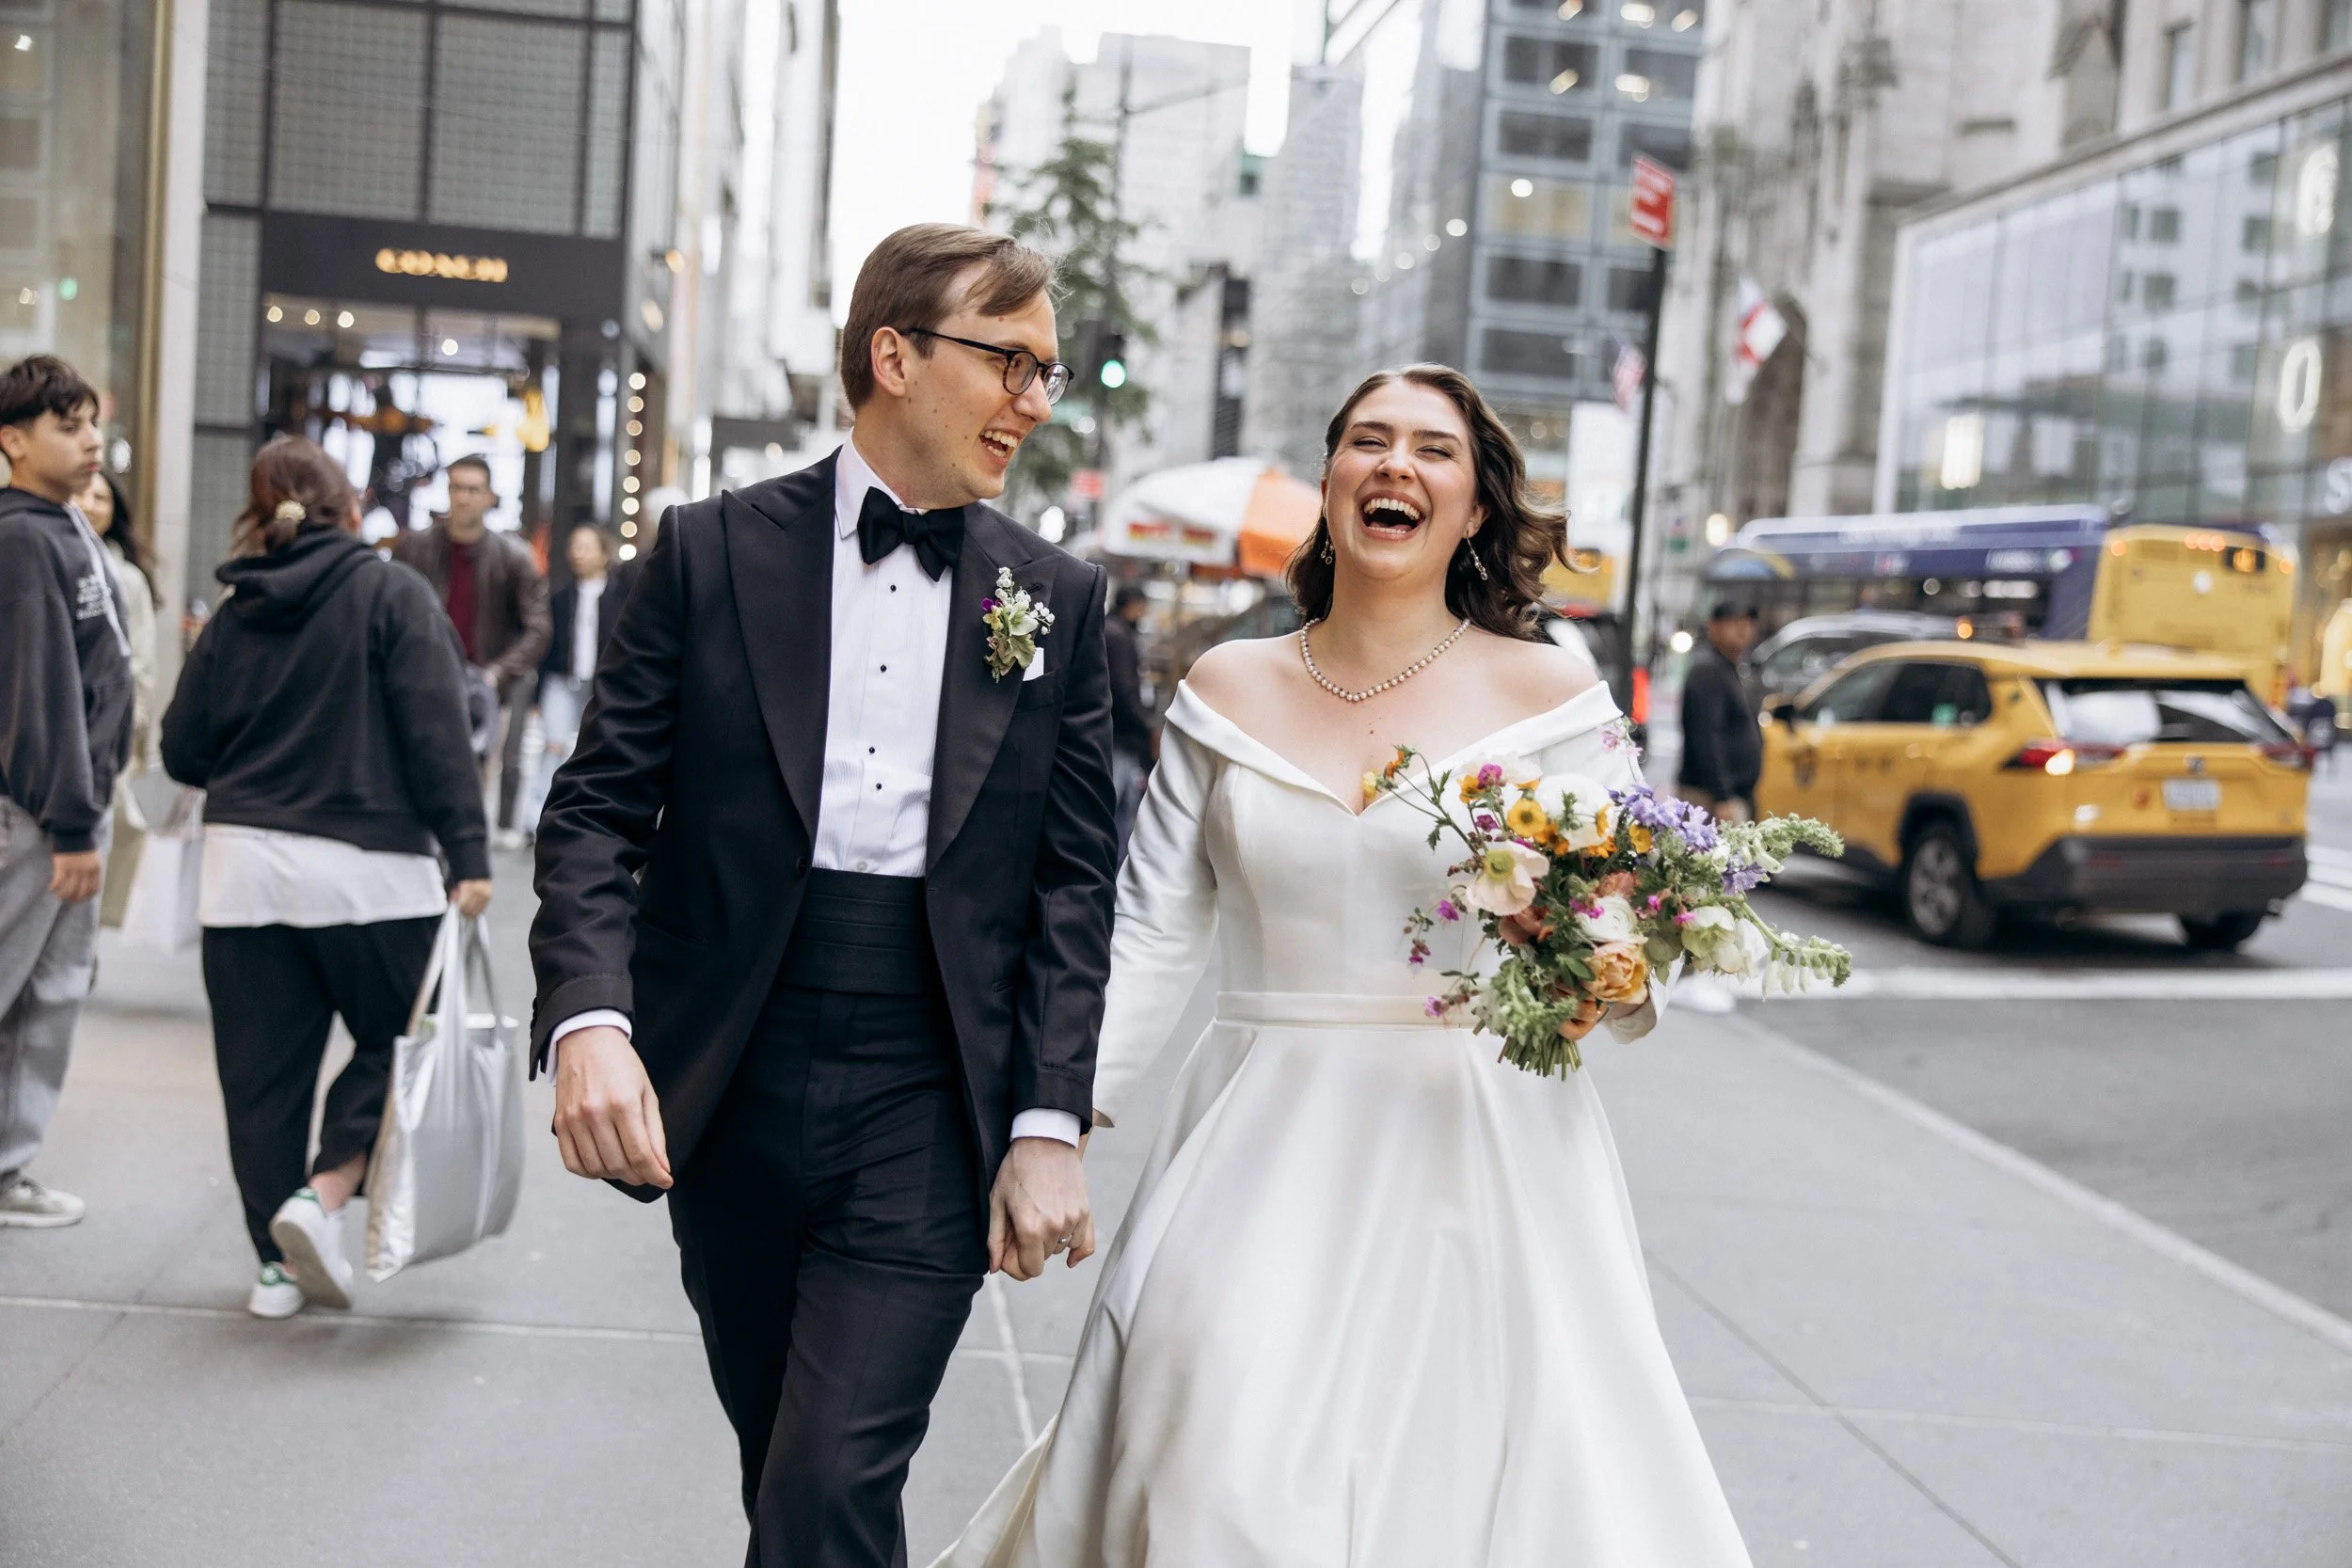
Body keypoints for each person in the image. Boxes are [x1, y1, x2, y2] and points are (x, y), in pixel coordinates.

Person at [937, 366, 1752, 1566]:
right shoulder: (1227, 687)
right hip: (1255, 1142)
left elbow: (1637, 936)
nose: (1394, 464)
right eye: (1367, 440)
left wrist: (1594, 965)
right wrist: (1052, 1124)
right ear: (1329, 483)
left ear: (1475, 508)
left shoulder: (1550, 693)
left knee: (1472, 1485)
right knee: (1203, 1438)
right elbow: (1152, 931)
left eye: (1432, 448)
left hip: (1484, 1151)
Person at [532, 222, 1116, 1568]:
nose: (1035, 399)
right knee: (789, 1472)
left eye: (1047, 370)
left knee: (827, 1468)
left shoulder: (1060, 598)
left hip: (932, 1085)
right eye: (1009, 360)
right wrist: (590, 1020)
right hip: (731, 1070)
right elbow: (598, 810)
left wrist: (1048, 1120)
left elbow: (1074, 880)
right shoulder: (705, 552)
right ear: (894, 356)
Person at [161, 436, 492, 1319]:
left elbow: (182, 749)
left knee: (261, 1079)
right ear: (350, 509)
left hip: (243, 875)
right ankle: (326, 1193)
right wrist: (468, 853)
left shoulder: (235, 613)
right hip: (371, 874)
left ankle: (275, 1266)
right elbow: (437, 735)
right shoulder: (393, 594)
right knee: (407, 1040)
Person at [0, 356, 133, 1229]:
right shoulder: (21, 536)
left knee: (48, 996)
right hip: (38, 813)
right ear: (13, 441)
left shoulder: (59, 524)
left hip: (65, 805)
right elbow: (40, 690)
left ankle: (7, 1168)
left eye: (91, 424)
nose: (90, 442)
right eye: (67, 425)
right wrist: (74, 824)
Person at [389, 454, 550, 844]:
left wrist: (496, 674)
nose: (464, 498)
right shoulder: (414, 548)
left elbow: (539, 628)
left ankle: (464, 863)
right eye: (457, 488)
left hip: (483, 689)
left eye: (473, 489)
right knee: (412, 777)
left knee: (470, 786)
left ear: (490, 496)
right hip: (422, 681)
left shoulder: (513, 556)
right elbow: (389, 612)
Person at [72, 472, 159, 925]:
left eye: (102, 497)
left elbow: (141, 665)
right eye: (83, 494)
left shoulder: (128, 580)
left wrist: (127, 730)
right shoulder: (41, 554)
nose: (91, 504)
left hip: (104, 740)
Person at [518, 523, 630, 837]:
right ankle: (537, 820)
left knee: (602, 748)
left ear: (604, 553)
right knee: (553, 746)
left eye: (586, 547)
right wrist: (538, 695)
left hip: (602, 683)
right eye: (574, 547)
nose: (578, 554)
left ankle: (594, 818)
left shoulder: (620, 596)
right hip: (561, 680)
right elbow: (547, 647)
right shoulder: (560, 596)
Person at [1677, 598, 1763, 822]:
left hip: (1731, 794)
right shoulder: (1707, 670)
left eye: (1748, 623)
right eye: (1734, 622)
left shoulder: (1735, 667)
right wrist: (1722, 796)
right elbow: (1706, 736)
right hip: (1709, 798)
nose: (1743, 629)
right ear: (1713, 627)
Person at [1103, 584, 1152, 852]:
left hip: (1115, 730)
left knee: (1120, 807)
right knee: (1115, 802)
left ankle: (1114, 860)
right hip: (1120, 733)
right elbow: (1124, 688)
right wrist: (1145, 726)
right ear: (1131, 604)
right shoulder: (1118, 634)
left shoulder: (1112, 629)